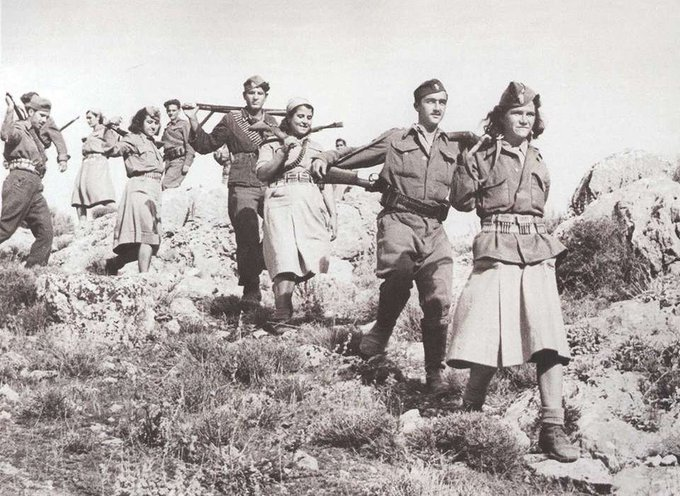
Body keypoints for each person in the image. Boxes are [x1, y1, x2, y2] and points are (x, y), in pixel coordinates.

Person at [446, 82, 579, 463]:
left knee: (548, 339)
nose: (524, 119)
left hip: (536, 249)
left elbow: (539, 203)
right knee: (486, 334)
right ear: (501, 117)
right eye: (517, 113)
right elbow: (461, 201)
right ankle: (469, 414)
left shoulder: (538, 158)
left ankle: (552, 428)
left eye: (530, 114)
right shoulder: (482, 155)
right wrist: (469, 159)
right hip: (496, 247)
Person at [312, 79, 464, 393]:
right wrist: (325, 157)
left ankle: (435, 374)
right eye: (430, 101)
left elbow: (470, 186)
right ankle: (382, 330)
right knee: (399, 273)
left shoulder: (453, 146)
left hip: (435, 228)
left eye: (442, 102)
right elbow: (358, 153)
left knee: (439, 300)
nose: (437, 107)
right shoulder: (396, 139)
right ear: (417, 105)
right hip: (399, 219)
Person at [184, 75, 277, 307]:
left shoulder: (273, 121)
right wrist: (193, 119)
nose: (255, 97)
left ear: (266, 96)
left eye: (260, 93)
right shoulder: (232, 119)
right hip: (242, 182)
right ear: (244, 95)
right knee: (247, 236)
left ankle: (260, 265)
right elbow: (206, 145)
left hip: (269, 183)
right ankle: (251, 288)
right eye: (251, 93)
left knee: (279, 228)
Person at [256, 98, 337, 333]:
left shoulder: (317, 148)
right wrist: (283, 151)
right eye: (300, 116)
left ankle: (312, 307)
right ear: (289, 118)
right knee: (283, 254)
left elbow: (326, 183)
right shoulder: (271, 144)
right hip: (280, 198)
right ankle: (282, 310)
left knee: (317, 252)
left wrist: (333, 215)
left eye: (309, 117)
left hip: (309, 199)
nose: (305, 121)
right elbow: (262, 173)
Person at [100, 107, 164, 274]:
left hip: (154, 190)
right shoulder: (132, 138)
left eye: (156, 123)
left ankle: (114, 264)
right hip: (140, 188)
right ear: (140, 123)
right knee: (148, 236)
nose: (153, 126)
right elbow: (112, 150)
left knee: (152, 242)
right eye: (149, 122)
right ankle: (144, 279)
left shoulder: (152, 143)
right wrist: (108, 128)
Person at [0, 94, 61, 266]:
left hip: (34, 186)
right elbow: (6, 135)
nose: (44, 120)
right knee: (5, 229)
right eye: (42, 115)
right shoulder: (19, 128)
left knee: (45, 232)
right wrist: (10, 111)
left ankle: (33, 269)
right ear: (31, 112)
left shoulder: (35, 136)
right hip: (20, 181)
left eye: (47, 117)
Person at [70, 109, 118, 221]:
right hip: (86, 164)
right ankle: (82, 225)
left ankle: (116, 217)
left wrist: (101, 149)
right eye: (87, 118)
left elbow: (112, 145)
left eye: (90, 117)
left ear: (98, 118)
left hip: (97, 163)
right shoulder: (92, 134)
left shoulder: (105, 130)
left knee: (101, 192)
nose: (88, 120)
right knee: (79, 195)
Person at [19, 92, 69, 173]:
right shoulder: (23, 118)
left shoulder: (47, 120)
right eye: (25, 104)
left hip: (38, 154)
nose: (26, 106)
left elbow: (58, 139)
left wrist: (62, 159)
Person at [161, 99, 195, 190]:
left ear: (179, 111)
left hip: (179, 160)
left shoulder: (184, 124)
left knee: (167, 185)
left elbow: (190, 145)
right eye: (169, 111)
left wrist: (187, 164)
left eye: (174, 110)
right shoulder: (168, 127)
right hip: (168, 160)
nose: (171, 113)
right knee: (167, 188)